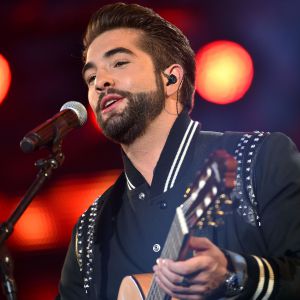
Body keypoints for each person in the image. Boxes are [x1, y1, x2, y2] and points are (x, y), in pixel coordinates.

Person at [57, 2, 300, 299]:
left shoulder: (258, 159)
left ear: (171, 78)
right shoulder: (89, 233)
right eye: (91, 78)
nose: (100, 83)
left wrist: (234, 274)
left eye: (119, 63)